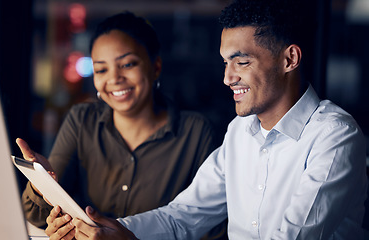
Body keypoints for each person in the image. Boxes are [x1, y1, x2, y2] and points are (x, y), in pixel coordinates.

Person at [68, 0, 368, 239]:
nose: (227, 77)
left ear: (289, 59)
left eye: (242, 61)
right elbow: (184, 215)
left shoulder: (336, 136)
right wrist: (107, 229)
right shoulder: (240, 130)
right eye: (226, 62)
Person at [17, 12, 224, 239]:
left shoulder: (195, 132)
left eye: (127, 64)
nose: (114, 78)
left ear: (155, 67)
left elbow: (207, 228)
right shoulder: (81, 119)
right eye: (101, 69)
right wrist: (43, 185)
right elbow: (36, 217)